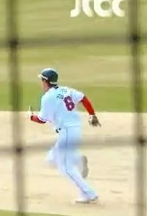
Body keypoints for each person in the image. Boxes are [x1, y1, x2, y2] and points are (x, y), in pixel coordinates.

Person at [29, 68, 101, 204]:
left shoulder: (47, 98)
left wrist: (31, 116)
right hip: (74, 128)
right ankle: (77, 160)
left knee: (66, 168)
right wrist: (92, 114)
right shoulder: (66, 90)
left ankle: (89, 193)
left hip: (66, 132)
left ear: (46, 81)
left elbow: (42, 119)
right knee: (51, 159)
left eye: (42, 80)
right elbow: (83, 98)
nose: (41, 83)